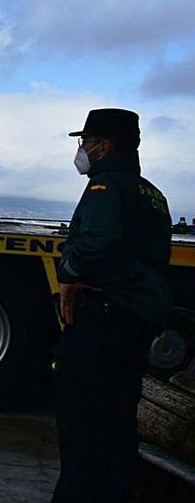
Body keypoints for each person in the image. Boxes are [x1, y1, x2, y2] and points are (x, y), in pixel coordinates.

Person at [54, 108, 172, 501]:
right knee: (119, 420)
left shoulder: (105, 188)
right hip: (136, 319)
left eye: (85, 141)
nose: (81, 149)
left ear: (104, 146)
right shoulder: (152, 193)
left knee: (81, 419)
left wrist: (68, 274)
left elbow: (95, 242)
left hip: (102, 319)